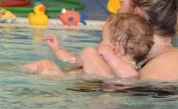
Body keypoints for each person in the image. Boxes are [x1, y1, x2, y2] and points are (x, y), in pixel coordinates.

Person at [22, 12, 154, 80]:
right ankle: (16, 69)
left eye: (103, 39)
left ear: (115, 47)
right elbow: (73, 60)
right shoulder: (103, 60)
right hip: (75, 84)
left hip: (61, 82)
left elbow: (131, 77)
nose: (100, 43)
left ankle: (15, 69)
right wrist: (58, 49)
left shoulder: (127, 67)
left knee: (45, 63)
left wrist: (110, 56)